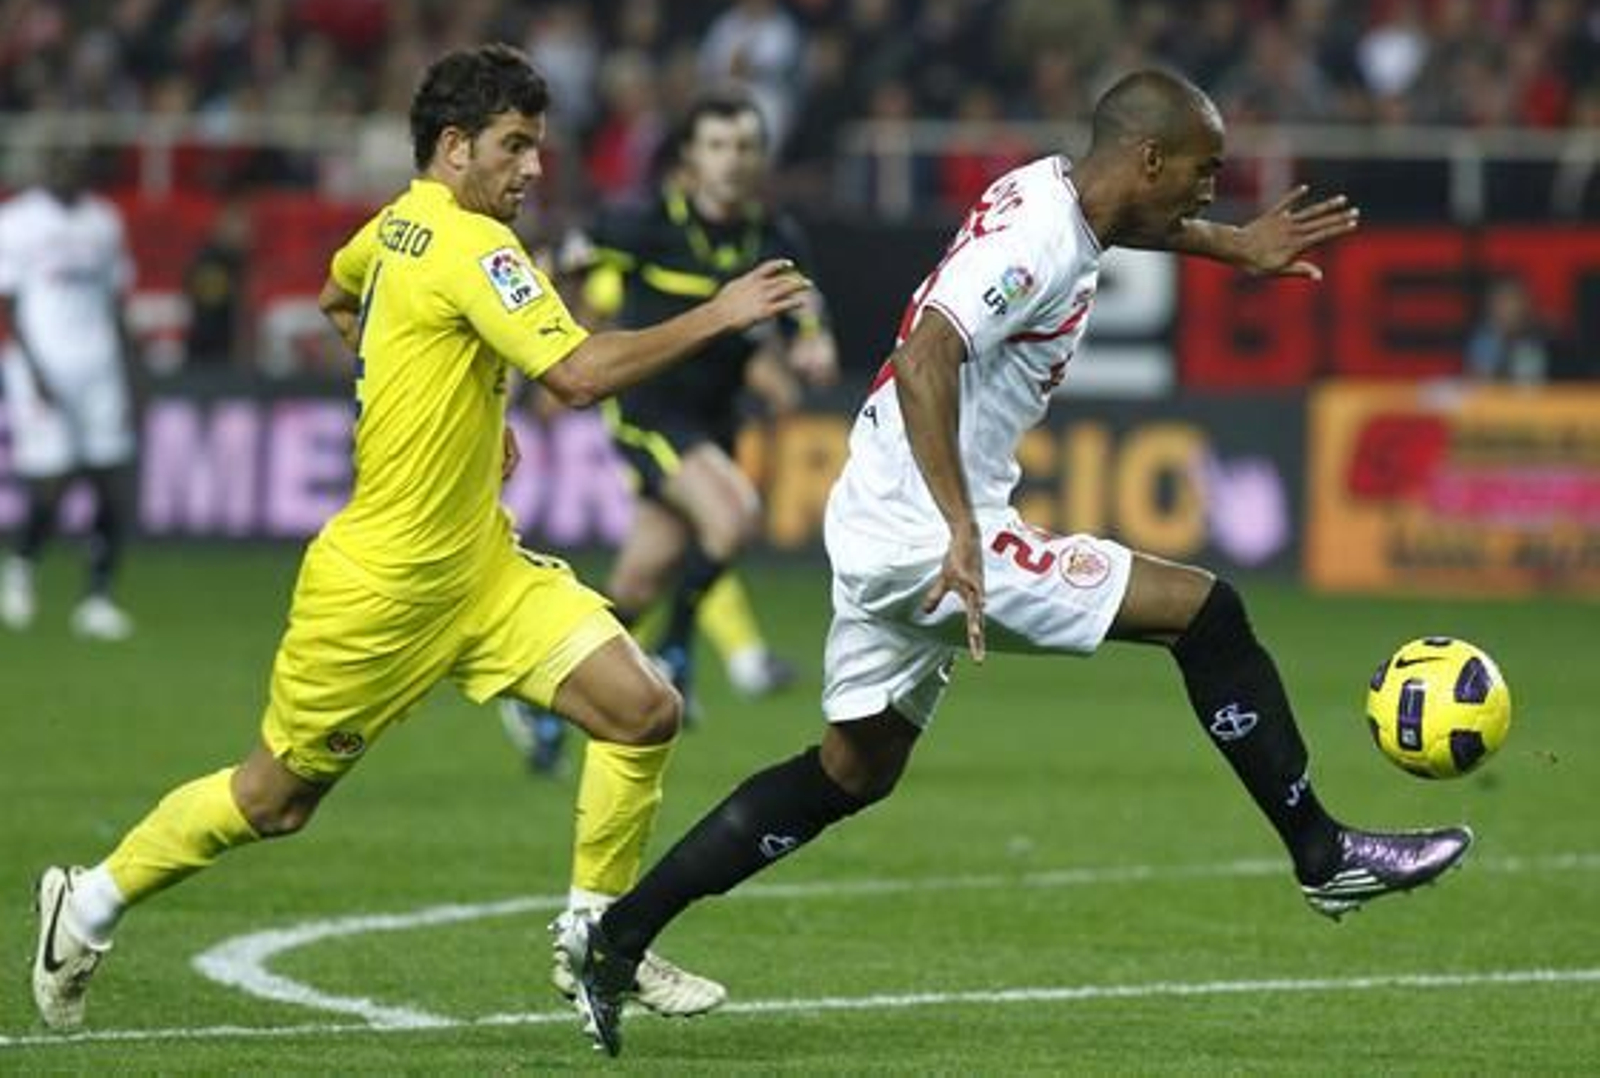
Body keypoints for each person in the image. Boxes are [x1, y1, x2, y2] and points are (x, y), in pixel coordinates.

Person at [558, 69, 1476, 1057]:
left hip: (881, 511)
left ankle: (614, 939)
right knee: (1203, 613)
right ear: (1150, 157)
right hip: (924, 530)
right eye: (1205, 173)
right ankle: (1321, 850)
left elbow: (1122, 228)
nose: (1213, 190)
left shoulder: (1060, 192)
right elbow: (927, 356)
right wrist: (959, 525)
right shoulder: (1037, 238)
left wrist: (1232, 245)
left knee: (850, 769)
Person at [29, 44, 809, 1033]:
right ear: (454, 147)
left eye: (539, 148)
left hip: (478, 569)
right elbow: (573, 375)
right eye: (515, 147)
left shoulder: (396, 224)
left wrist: (458, 406)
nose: (534, 169)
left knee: (641, 707)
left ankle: (595, 938)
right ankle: (85, 901)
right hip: (381, 588)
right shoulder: (472, 246)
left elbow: (339, 292)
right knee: (273, 800)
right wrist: (720, 312)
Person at [502, 92, 835, 767]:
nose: (733, 161)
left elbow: (804, 315)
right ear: (689, 156)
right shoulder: (641, 224)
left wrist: (812, 344)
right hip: (647, 410)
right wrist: (538, 352)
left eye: (744, 147)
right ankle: (678, 652)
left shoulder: (774, 238)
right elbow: (552, 264)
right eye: (717, 146)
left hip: (713, 422)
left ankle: (537, 691)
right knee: (735, 513)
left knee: (637, 584)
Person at [0, 148, 140, 640]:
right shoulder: (16, 222)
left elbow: (115, 299)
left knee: (111, 480)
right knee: (52, 483)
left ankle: (97, 598)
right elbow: (11, 303)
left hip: (99, 365)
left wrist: (129, 370)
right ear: (42, 170)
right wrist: (33, 369)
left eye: (75, 163)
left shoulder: (103, 221)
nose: (68, 171)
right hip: (43, 364)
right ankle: (21, 566)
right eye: (59, 163)